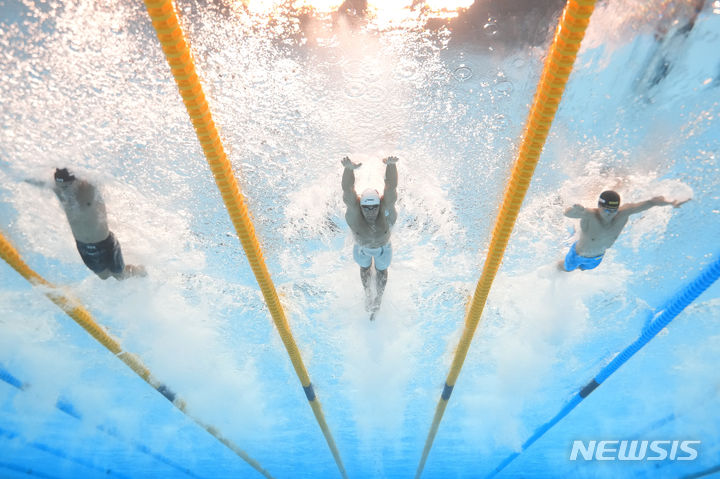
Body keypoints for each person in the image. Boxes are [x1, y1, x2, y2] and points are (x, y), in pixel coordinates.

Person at [50, 168, 145, 280]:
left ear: (74, 181)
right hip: (83, 247)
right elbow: (30, 177)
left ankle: (139, 271)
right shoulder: (60, 192)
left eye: (67, 185)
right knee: (104, 276)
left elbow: (101, 175)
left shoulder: (88, 188)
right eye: (61, 186)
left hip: (105, 243)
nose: (65, 189)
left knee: (120, 276)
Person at [559, 190, 689, 272]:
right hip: (577, 255)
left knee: (583, 270)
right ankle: (554, 268)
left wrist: (672, 202)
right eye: (607, 210)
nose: (610, 213)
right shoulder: (589, 214)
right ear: (599, 206)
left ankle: (579, 261)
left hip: (597, 259)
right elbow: (568, 214)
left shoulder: (624, 212)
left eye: (613, 210)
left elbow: (651, 202)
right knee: (566, 269)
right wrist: (574, 210)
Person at [341, 156, 398, 319]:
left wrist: (391, 166)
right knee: (364, 269)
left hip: (383, 249)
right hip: (361, 249)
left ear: (380, 203)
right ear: (360, 204)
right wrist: (348, 169)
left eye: (374, 207)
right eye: (366, 207)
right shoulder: (354, 212)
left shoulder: (386, 208)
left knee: (381, 271)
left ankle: (378, 299)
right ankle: (367, 294)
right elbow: (347, 190)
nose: (371, 211)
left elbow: (391, 187)